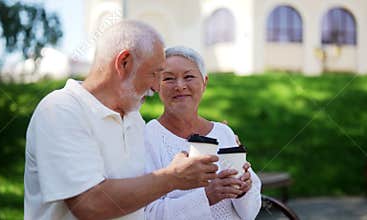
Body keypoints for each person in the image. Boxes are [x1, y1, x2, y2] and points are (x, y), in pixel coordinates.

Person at [24, 21, 220, 220]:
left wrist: (219, 141)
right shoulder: (61, 109)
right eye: (154, 73)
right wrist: (172, 178)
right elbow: (89, 204)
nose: (156, 86)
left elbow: (149, 181)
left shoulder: (134, 119)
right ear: (124, 63)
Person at [144, 46, 262, 220]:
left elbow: (250, 212)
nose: (180, 86)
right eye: (168, 79)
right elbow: (148, 214)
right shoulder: (147, 138)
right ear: (156, 86)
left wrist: (244, 190)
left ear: (204, 83)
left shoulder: (224, 133)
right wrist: (207, 197)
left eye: (189, 77)